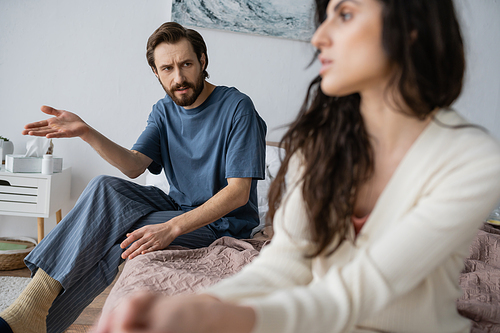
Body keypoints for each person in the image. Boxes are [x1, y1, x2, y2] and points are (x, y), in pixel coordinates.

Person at [93, 0, 500, 332]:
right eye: (325, 18)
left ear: (409, 33)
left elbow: (369, 289)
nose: (319, 36)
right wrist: (208, 304)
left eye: (344, 15)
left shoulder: (468, 159)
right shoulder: (318, 145)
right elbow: (286, 262)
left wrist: (223, 315)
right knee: (105, 197)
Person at [0, 22, 267, 333]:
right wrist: (87, 132)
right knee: (103, 187)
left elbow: (237, 193)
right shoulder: (164, 110)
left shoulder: (237, 108)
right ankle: (31, 311)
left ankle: (32, 315)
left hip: (221, 222)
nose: (178, 77)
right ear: (156, 72)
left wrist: (170, 229)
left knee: (113, 235)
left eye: (186, 64)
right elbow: (133, 166)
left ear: (203, 61)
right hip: (174, 204)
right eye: (167, 68)